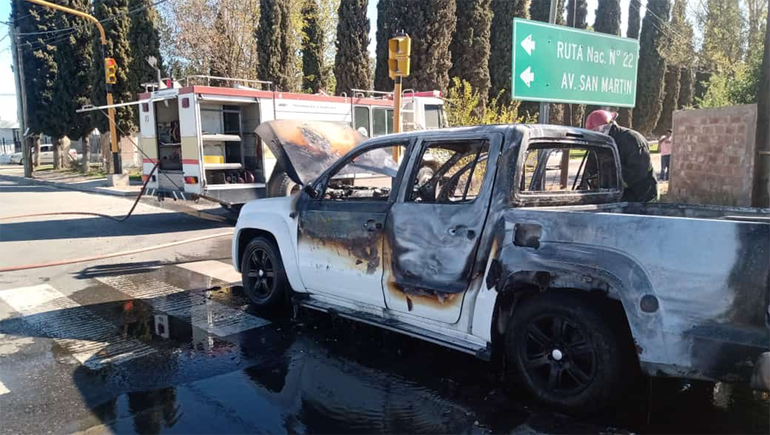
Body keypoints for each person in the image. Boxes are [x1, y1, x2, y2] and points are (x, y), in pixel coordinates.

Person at [585, 110, 658, 202]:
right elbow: (591, 170)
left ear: (605, 129)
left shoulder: (633, 140)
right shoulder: (599, 144)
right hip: (614, 198)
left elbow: (637, 173)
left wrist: (611, 183)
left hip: (642, 198)